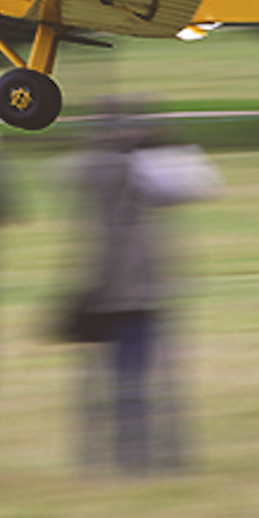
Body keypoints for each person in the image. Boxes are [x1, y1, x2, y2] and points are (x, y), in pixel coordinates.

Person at [67, 100, 221, 473]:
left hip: (103, 283)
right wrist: (167, 148)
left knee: (118, 377)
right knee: (148, 376)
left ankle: (122, 454)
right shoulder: (138, 168)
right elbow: (203, 185)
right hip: (140, 284)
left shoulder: (87, 167)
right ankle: (153, 455)